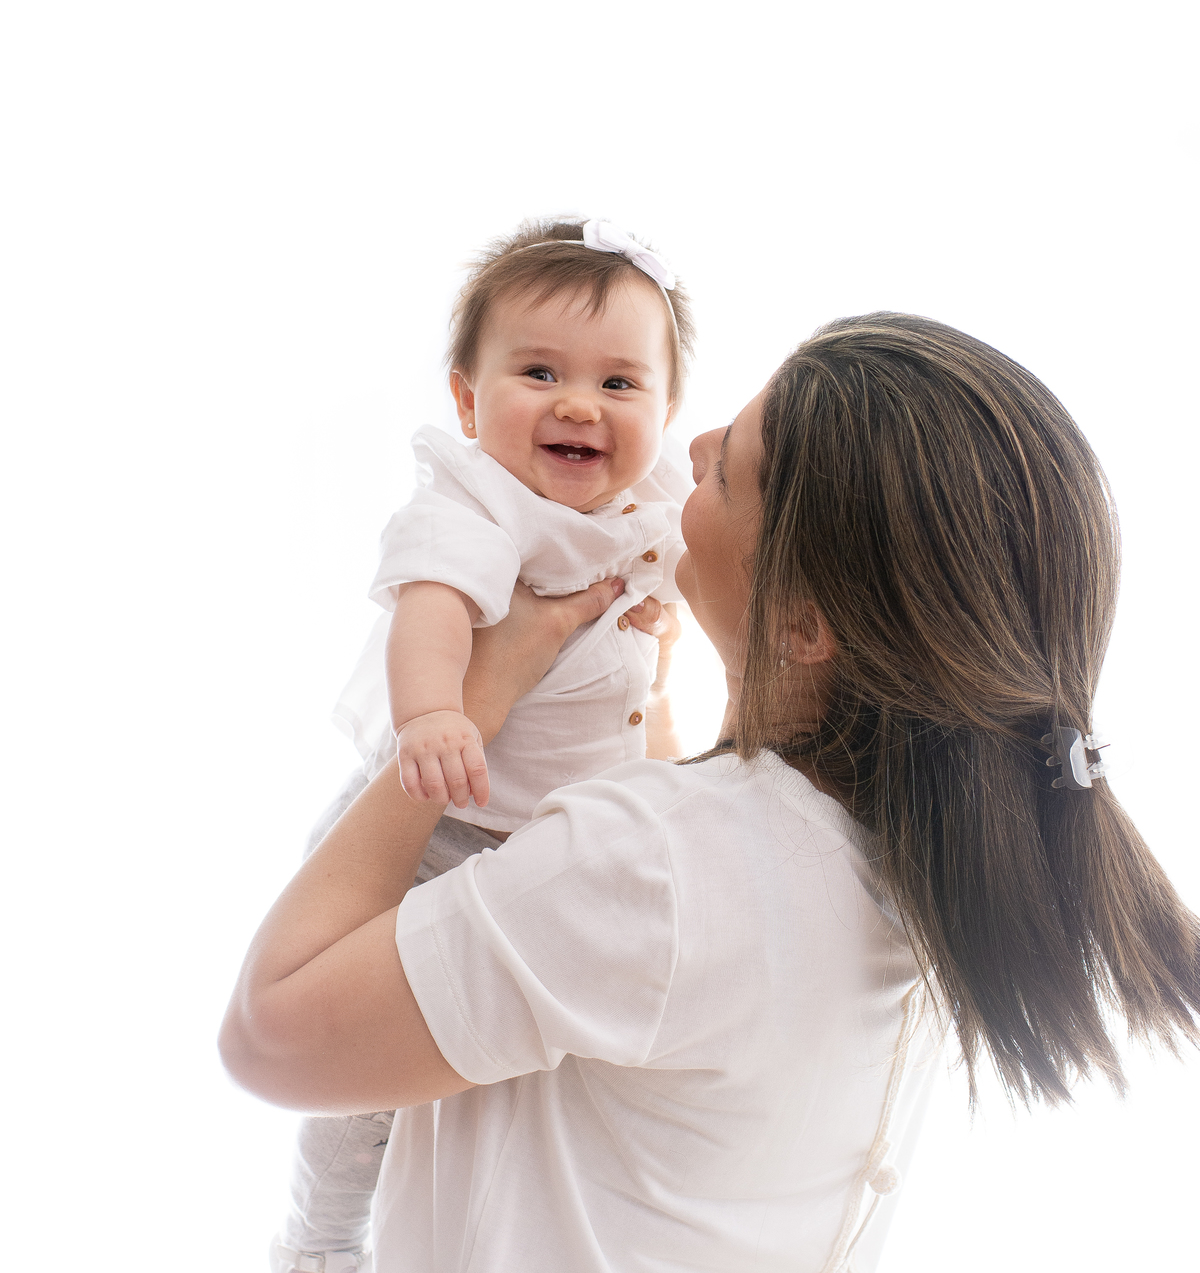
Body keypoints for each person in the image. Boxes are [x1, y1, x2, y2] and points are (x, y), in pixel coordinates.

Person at [222, 313, 1200, 1273]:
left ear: (807, 622)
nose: (689, 445)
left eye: (729, 463)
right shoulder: (937, 865)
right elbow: (700, 913)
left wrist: (464, 709)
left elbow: (269, 1035)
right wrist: (646, 694)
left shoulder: (648, 866)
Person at [272, 216, 696, 1272]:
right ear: (467, 400)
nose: (577, 404)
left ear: (668, 410)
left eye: (618, 384)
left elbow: (672, 600)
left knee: (505, 1083)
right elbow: (433, 608)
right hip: (437, 820)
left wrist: (663, 622)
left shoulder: (651, 507)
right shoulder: (481, 500)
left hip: (556, 838)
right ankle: (322, 1244)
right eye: (539, 371)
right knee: (359, 1088)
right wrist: (433, 715)